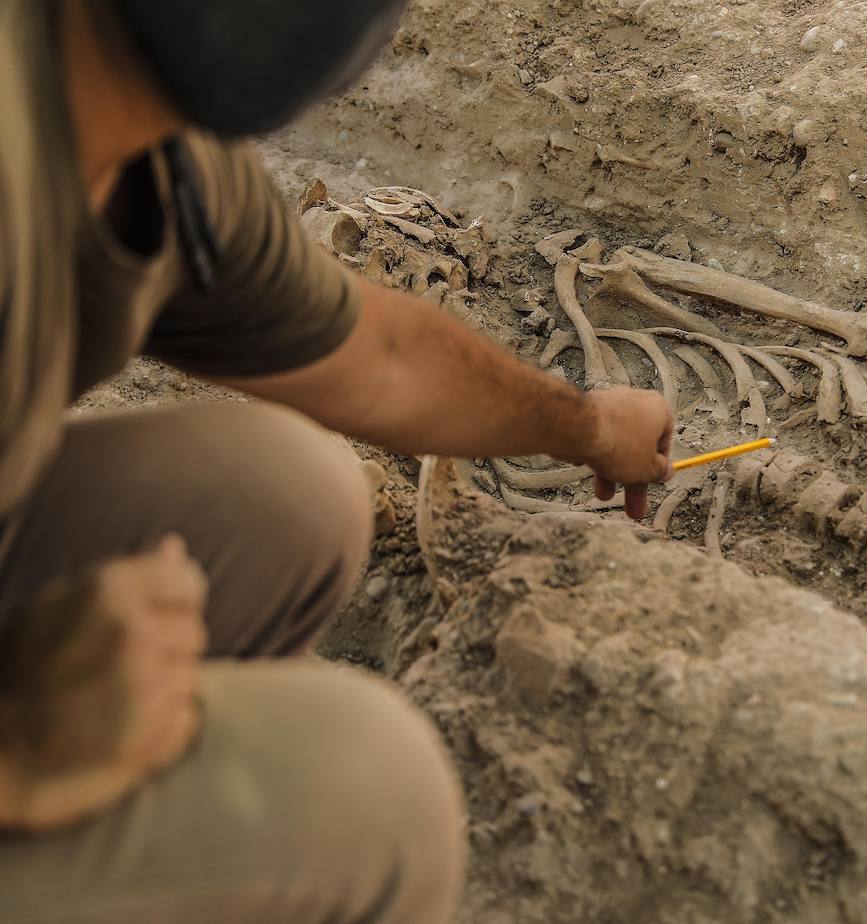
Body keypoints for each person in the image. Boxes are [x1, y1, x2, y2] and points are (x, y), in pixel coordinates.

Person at [0, 1, 675, 920]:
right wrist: (28, 739)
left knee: (283, 495)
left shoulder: (164, 161)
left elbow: (382, 362)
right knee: (374, 798)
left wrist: (588, 424)